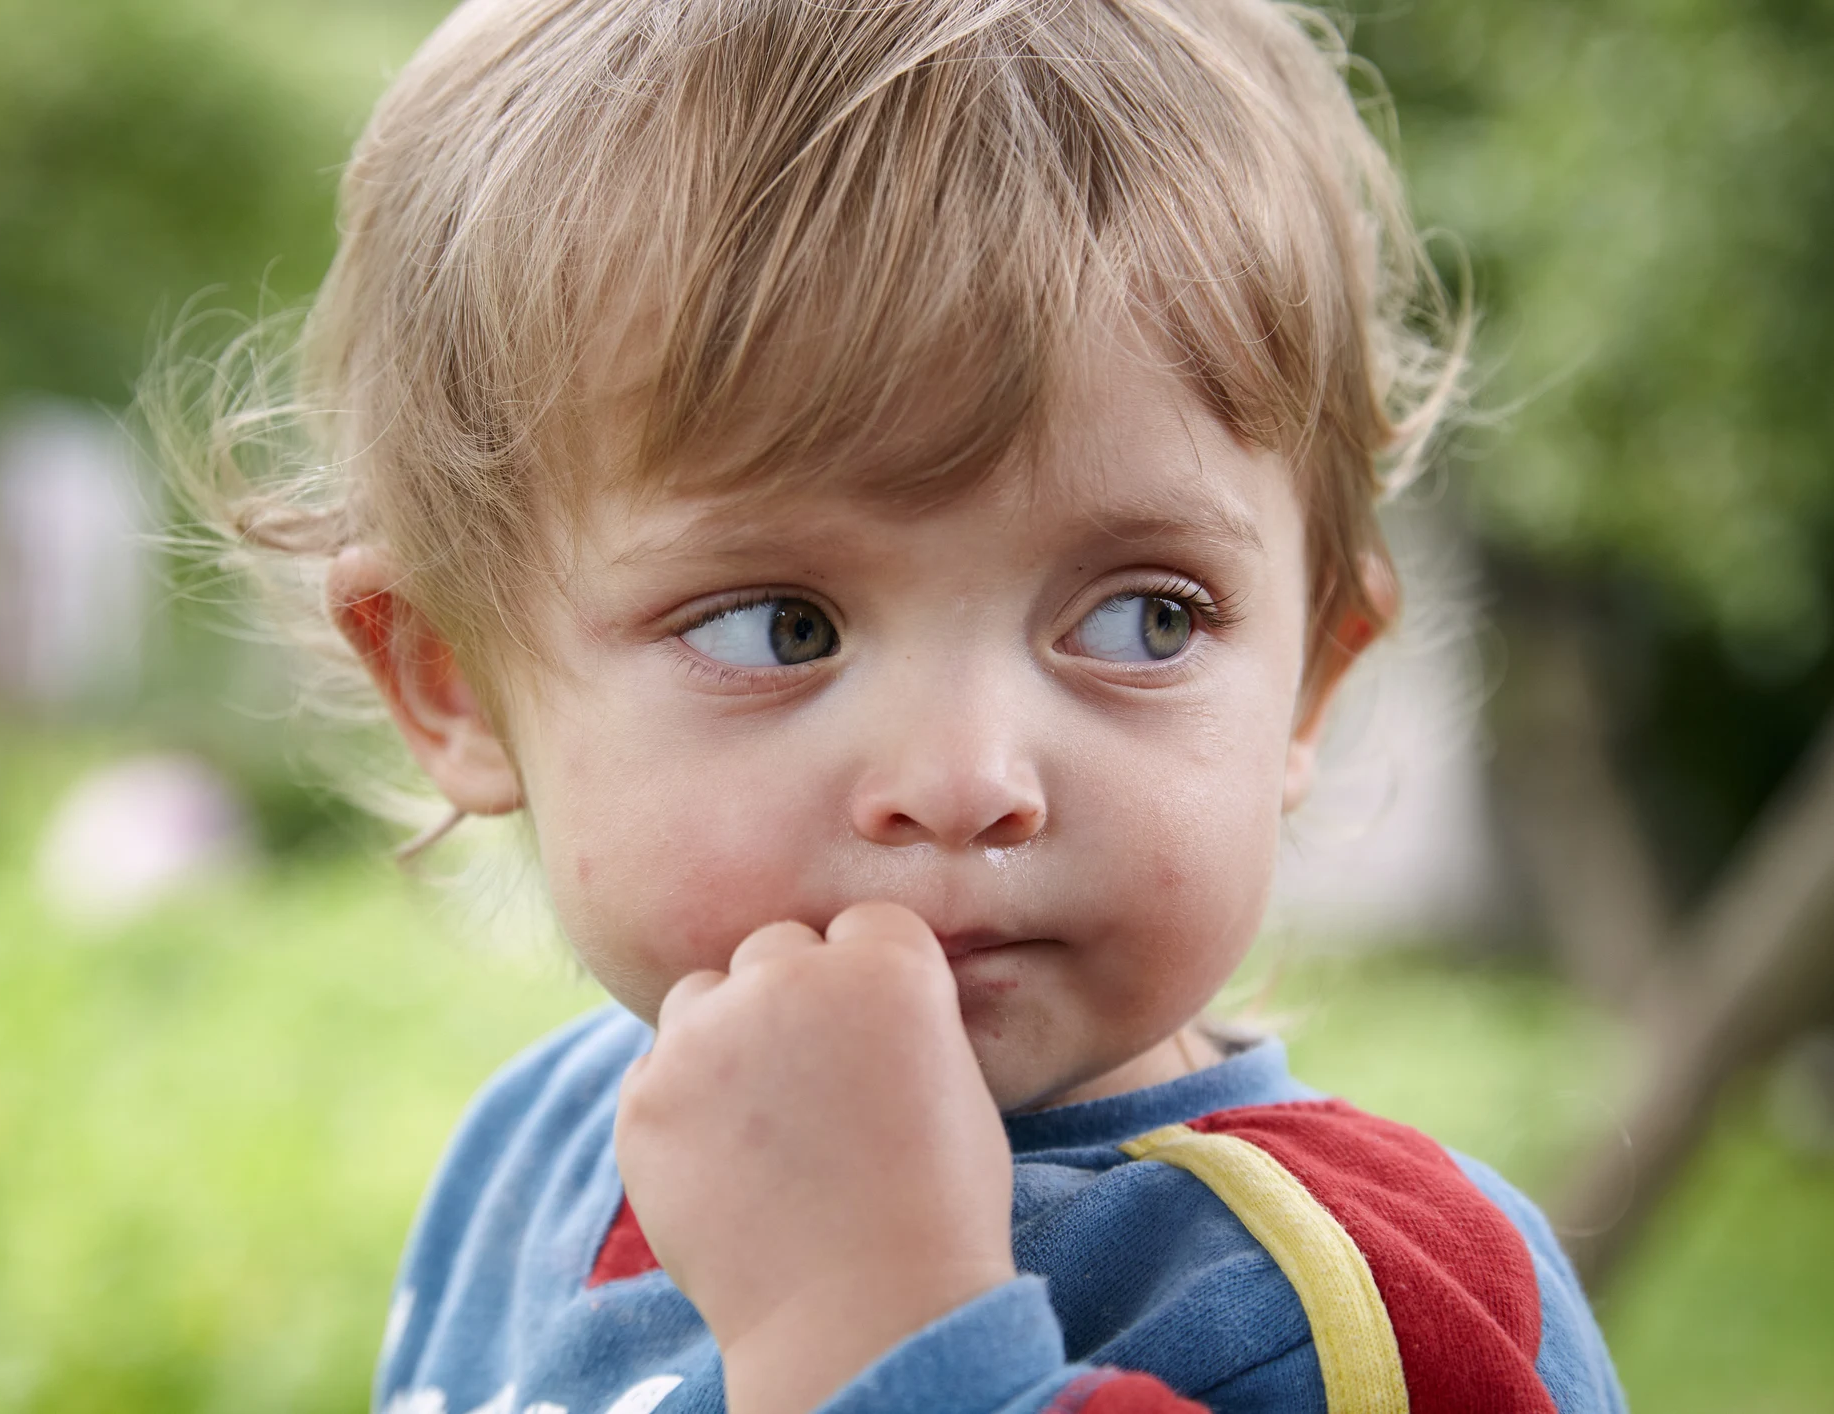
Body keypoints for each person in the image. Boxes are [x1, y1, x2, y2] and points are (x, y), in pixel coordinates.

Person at [170, 0, 1629, 1409]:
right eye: (778, 624)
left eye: (1143, 616)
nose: (967, 774)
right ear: (453, 682)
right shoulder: (546, 1145)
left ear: (1310, 674)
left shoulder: (1379, 1306)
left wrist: (874, 1337)